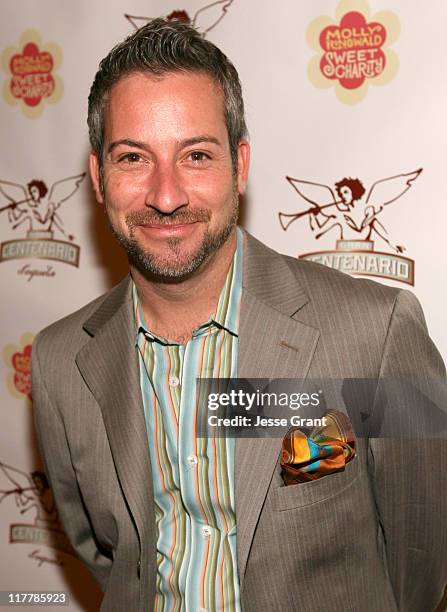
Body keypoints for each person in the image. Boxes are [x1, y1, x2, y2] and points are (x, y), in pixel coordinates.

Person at [32, 18, 447, 612]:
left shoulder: (378, 331)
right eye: (133, 158)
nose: (166, 195)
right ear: (99, 176)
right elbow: (108, 557)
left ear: (240, 164)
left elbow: (423, 558)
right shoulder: (57, 360)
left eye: (196, 154)